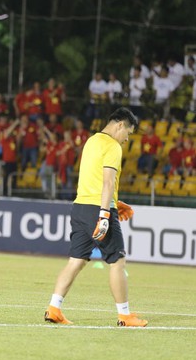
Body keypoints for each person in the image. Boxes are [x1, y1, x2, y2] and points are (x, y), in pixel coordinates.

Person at [45, 108, 147, 327]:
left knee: (75, 261)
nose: (127, 138)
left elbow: (94, 178)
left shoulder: (91, 141)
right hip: (98, 210)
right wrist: (104, 213)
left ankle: (54, 308)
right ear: (120, 125)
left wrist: (114, 202)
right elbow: (108, 181)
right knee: (117, 261)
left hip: (80, 207)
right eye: (128, 132)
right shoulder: (113, 146)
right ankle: (125, 315)